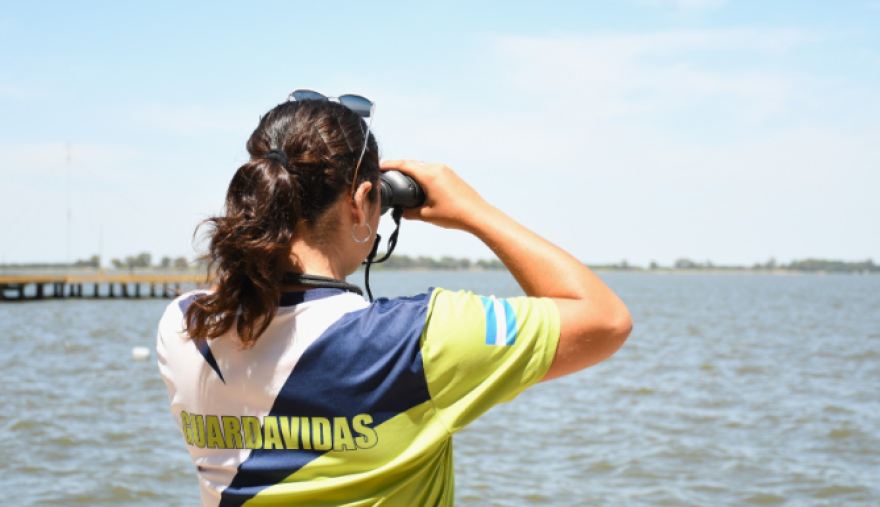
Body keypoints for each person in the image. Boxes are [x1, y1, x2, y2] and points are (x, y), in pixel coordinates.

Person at [157, 94, 632, 507]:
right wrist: (474, 212)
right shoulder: (419, 339)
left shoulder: (185, 326)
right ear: (361, 200)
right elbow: (606, 318)